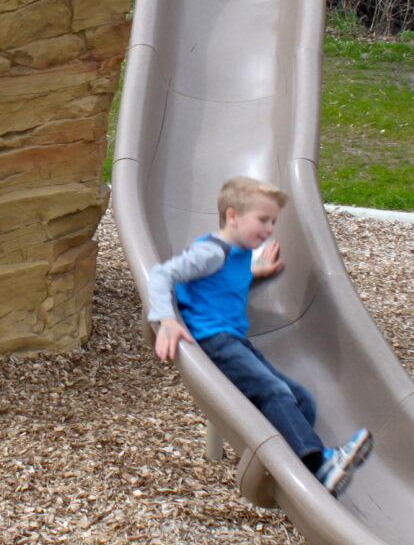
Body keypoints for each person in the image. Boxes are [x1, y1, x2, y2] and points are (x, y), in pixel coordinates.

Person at [148, 175, 373, 496]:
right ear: (233, 216)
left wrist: (255, 271)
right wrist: (166, 319)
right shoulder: (212, 252)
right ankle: (318, 464)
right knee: (272, 389)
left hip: (234, 340)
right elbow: (161, 274)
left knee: (302, 399)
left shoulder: (238, 255)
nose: (269, 229)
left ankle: (298, 466)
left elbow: (221, 281)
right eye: (263, 220)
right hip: (212, 340)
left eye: (273, 222)